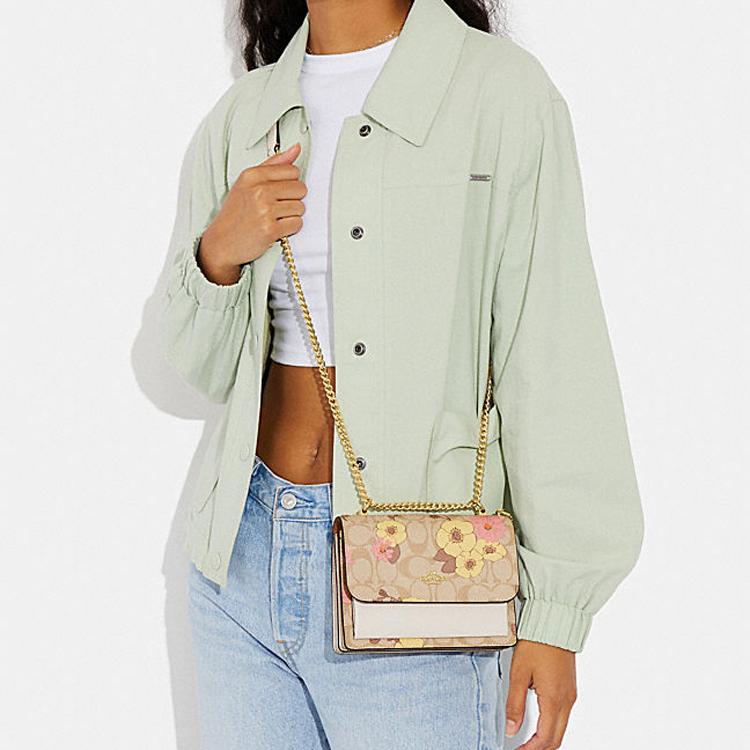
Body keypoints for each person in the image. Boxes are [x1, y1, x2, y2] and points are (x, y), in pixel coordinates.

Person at [159, 0, 644, 747]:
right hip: (242, 564)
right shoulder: (246, 115)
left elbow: (551, 351)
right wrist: (219, 251)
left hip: (423, 574)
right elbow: (202, 368)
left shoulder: (500, 95)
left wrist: (558, 613)